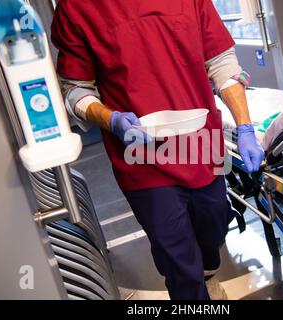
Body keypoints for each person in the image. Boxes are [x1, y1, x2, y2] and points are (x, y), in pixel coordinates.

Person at [51, 0, 265, 300]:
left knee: (215, 222)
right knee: (175, 250)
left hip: (204, 143)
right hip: (141, 155)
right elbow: (76, 90)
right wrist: (111, 120)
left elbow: (222, 63)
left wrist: (245, 128)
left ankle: (205, 276)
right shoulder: (76, 8)